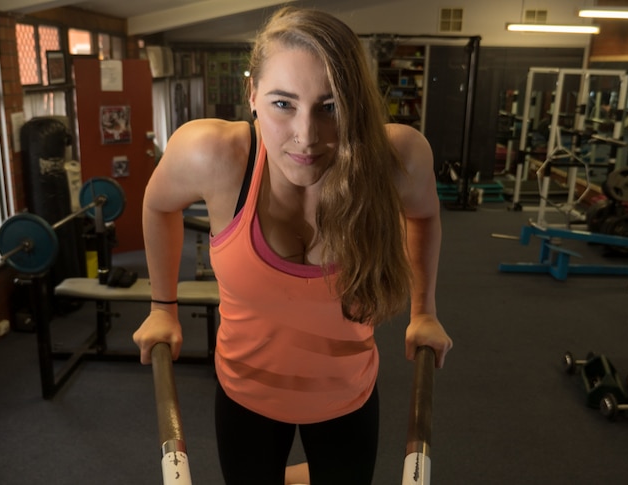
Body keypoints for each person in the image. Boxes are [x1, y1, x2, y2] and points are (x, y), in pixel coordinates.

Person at [133, 6, 452, 484]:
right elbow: (158, 206)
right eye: (284, 104)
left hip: (348, 394)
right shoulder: (213, 154)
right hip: (245, 394)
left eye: (331, 107)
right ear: (253, 95)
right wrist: (163, 307)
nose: (307, 137)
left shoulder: (396, 159)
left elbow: (424, 216)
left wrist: (423, 311)